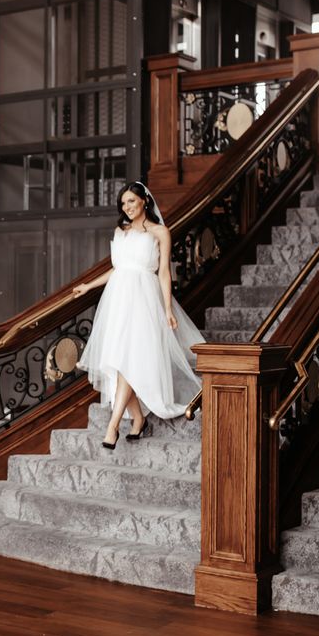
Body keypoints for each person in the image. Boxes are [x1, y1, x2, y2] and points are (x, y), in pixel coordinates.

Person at [72, 182, 204, 449]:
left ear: (144, 200)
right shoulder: (121, 231)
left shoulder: (160, 232)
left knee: (128, 359)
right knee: (119, 360)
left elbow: (164, 273)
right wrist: (89, 285)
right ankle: (138, 418)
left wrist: (167, 308)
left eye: (131, 201)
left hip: (145, 300)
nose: (127, 208)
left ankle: (112, 426)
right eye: (123, 204)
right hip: (118, 300)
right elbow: (117, 268)